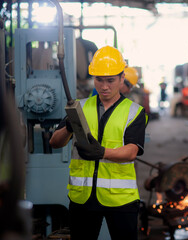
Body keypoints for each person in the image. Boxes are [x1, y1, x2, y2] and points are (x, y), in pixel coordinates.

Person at [49, 46, 147, 240]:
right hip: (82, 197)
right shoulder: (80, 107)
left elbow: (131, 151)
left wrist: (102, 152)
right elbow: (55, 142)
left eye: (110, 80)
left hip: (120, 199)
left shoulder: (134, 111)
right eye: (99, 80)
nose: (104, 86)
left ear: (121, 78)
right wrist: (68, 126)